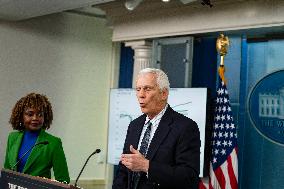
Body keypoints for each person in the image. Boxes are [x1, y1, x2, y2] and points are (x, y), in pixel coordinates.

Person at [112, 68, 200, 189]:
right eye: (138, 89)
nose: (141, 95)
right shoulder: (134, 125)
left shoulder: (185, 127)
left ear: (164, 93)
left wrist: (147, 166)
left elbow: (189, 177)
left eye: (147, 89)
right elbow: (123, 170)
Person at [4, 93, 70, 183]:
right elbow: (7, 172)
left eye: (40, 114)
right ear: (21, 116)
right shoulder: (12, 137)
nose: (35, 118)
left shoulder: (53, 143)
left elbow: (63, 180)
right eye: (30, 114)